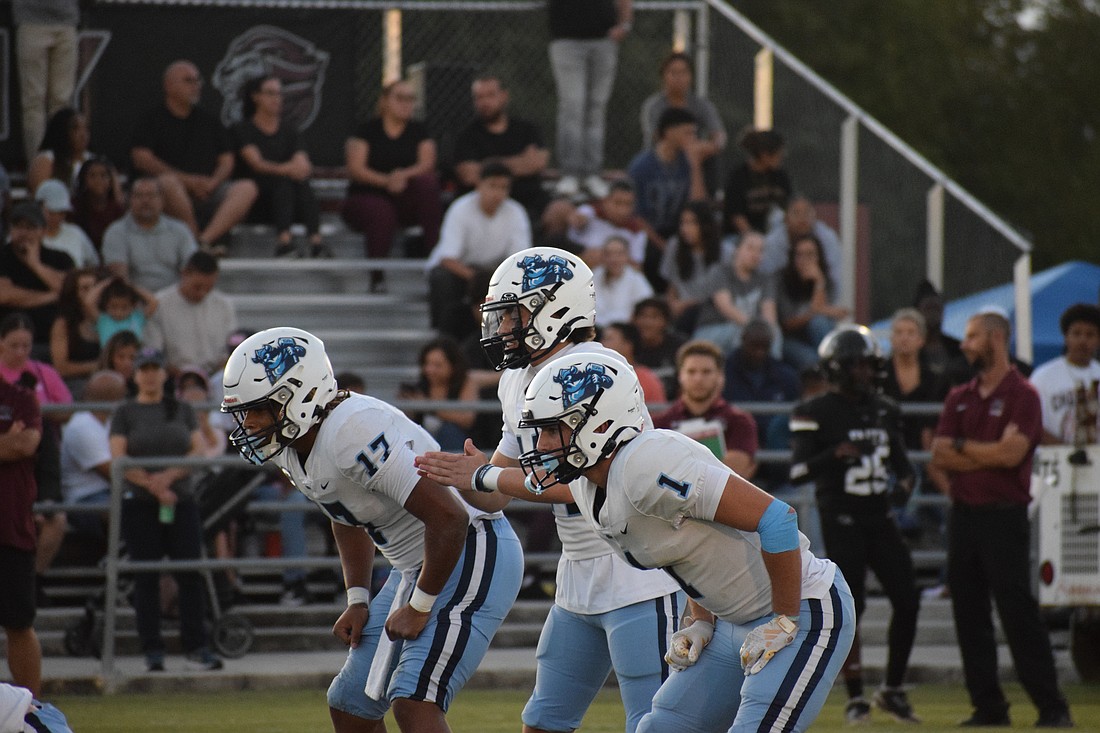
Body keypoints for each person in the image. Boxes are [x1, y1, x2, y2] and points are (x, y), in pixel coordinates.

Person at [414, 247, 684, 733]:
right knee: (543, 723)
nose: (500, 329)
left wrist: (486, 476)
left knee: (656, 724)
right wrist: (457, 477)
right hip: (578, 574)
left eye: (512, 315)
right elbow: (498, 492)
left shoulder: (596, 370)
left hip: (639, 570)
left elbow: (591, 483)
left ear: (555, 308)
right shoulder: (518, 378)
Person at [515, 350, 855, 733]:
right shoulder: (588, 484)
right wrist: (701, 619)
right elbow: (686, 546)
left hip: (803, 608)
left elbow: (778, 519)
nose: (542, 445)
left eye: (552, 429)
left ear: (596, 424)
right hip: (731, 621)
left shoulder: (647, 464)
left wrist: (785, 620)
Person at [220, 326, 522, 732]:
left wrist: (418, 607)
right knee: (349, 706)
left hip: (472, 548)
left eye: (259, 409)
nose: (250, 423)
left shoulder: (351, 431)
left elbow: (450, 518)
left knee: (414, 702)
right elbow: (344, 512)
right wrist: (358, 597)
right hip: (417, 565)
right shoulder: (293, 444)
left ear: (301, 395)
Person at [930, 311, 1074, 728]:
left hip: (1004, 518)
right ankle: (988, 707)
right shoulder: (959, 395)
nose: (964, 344)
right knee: (969, 615)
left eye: (972, 337)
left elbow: (1013, 455)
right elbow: (939, 454)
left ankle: (1053, 706)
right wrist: (986, 452)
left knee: (1017, 613)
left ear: (996, 339)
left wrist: (964, 450)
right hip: (964, 517)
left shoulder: (1023, 394)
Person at [788, 324, 922, 724]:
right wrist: (834, 453)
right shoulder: (814, 411)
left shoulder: (885, 409)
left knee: (909, 599)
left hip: (880, 516)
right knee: (854, 605)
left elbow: (905, 469)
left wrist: (903, 489)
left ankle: (893, 689)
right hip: (841, 518)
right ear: (835, 367)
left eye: (868, 365)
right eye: (855, 365)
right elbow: (797, 472)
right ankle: (856, 695)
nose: (863, 373)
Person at [110, 346, 223, 672]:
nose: (148, 374)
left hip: (180, 500)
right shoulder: (125, 412)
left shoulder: (182, 409)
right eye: (143, 368)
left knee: (189, 573)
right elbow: (119, 456)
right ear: (135, 374)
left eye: (154, 368)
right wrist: (153, 486)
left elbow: (197, 450)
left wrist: (167, 478)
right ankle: (152, 649)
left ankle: (196, 644)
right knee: (145, 577)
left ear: (163, 373)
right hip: (141, 504)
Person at [131, 60, 258, 253]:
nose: (195, 86)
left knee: (247, 188)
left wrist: (213, 182)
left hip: (208, 191)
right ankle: (192, 238)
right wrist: (188, 181)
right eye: (188, 81)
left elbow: (227, 160)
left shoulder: (209, 121)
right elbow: (141, 158)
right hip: (172, 193)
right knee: (167, 183)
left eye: (198, 81)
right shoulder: (151, 120)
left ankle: (203, 242)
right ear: (169, 86)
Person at [342, 78, 443, 270]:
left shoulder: (419, 131)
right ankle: (377, 275)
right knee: (381, 212)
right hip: (367, 196)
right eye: (400, 98)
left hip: (405, 198)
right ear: (385, 101)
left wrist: (402, 176)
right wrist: (386, 181)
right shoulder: (367, 130)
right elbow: (356, 168)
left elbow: (427, 163)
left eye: (410, 98)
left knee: (427, 185)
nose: (406, 103)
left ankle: (437, 257)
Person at [425, 161, 530, 339]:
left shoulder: (516, 212)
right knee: (442, 278)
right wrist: (479, 279)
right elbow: (448, 258)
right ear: (479, 185)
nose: (497, 193)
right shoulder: (460, 209)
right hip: (461, 271)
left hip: (496, 273)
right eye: (492, 186)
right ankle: (442, 334)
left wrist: (492, 280)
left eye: (503, 187)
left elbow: (520, 260)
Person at [547, 0, 633, 199]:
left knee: (596, 109)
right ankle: (570, 173)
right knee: (572, 105)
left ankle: (592, 173)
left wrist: (625, 25)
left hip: (603, 40)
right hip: (566, 39)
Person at [233, 74, 326, 259]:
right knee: (283, 183)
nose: (277, 99)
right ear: (256, 96)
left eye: (279, 94)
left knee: (301, 183)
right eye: (270, 93)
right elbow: (257, 164)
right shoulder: (243, 129)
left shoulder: (290, 130)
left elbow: (302, 162)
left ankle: (316, 243)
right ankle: (284, 243)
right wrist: (289, 170)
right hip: (257, 201)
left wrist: (297, 168)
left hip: (290, 203)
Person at [653, 339, 758, 478]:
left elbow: (736, 472)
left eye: (706, 372)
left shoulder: (739, 420)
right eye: (691, 371)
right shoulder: (660, 424)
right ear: (680, 376)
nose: (698, 378)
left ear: (720, 376)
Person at [0, 366, 44, 696]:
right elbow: (13, 446)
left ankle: (30, 708)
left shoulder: (21, 399)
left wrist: (14, 443)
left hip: (10, 526)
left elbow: (26, 445)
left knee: (19, 622)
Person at [453, 74, 550, 222]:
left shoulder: (526, 129)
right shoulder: (466, 135)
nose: (485, 102)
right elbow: (469, 175)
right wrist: (520, 162)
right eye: (479, 97)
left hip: (532, 202)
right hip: (487, 209)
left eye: (490, 95)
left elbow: (538, 162)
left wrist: (488, 166)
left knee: (561, 211)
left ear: (504, 96)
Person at [639, 51, 726, 195]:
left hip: (693, 155)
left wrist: (712, 146)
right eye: (673, 72)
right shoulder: (653, 106)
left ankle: (707, 201)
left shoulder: (701, 104)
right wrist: (685, 147)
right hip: (662, 156)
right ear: (663, 76)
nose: (679, 78)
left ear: (691, 76)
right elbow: (656, 136)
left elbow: (719, 134)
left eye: (684, 72)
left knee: (711, 159)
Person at [59, 370, 128, 547]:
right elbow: (112, 473)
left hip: (111, 491)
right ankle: (122, 563)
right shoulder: (82, 425)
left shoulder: (111, 421)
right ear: (113, 397)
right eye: (122, 395)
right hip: (84, 498)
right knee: (135, 509)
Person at [142, 250, 237, 375]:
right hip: (174, 377)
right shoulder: (160, 304)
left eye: (208, 288)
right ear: (184, 274)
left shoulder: (224, 305)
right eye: (197, 287)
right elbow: (155, 350)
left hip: (218, 375)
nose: (202, 293)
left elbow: (231, 346)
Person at [0, 202, 74, 361]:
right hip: (9, 342)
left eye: (30, 227)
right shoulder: (2, 256)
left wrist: (35, 265)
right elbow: (5, 295)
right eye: (18, 227)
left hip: (53, 341)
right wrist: (51, 296)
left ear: (43, 231)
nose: (23, 233)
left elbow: (70, 290)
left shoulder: (61, 258)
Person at [101, 176, 198, 293]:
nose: (145, 201)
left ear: (162, 200)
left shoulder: (180, 230)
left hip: (175, 298)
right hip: (133, 300)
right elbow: (120, 278)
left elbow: (191, 270)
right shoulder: (115, 232)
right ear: (129, 200)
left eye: (151, 195)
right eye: (139, 196)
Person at [692, 231, 779, 357]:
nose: (756, 254)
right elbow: (726, 307)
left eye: (761, 250)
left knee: (774, 331)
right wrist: (755, 329)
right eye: (750, 248)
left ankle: (772, 370)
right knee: (742, 334)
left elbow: (769, 312)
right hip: (711, 330)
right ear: (737, 249)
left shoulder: (765, 279)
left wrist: (768, 330)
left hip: (747, 328)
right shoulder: (720, 272)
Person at [626, 108, 707, 244]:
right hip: (649, 236)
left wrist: (695, 166)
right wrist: (662, 247)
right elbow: (636, 216)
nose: (693, 139)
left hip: (681, 233)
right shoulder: (642, 167)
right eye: (688, 133)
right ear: (670, 132)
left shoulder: (688, 162)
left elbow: (698, 206)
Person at [13, 0, 78, 164]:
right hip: (31, 20)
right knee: (33, 101)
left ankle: (61, 165)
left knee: (62, 102)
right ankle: (38, 166)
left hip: (66, 20)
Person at [1030, 303, 1100, 445]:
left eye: (1090, 334)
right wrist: (1064, 449)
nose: (1083, 340)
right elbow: (1031, 423)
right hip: (1055, 459)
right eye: (1076, 333)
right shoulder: (1043, 376)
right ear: (1066, 337)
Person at [776, 233, 849, 370]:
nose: (805, 260)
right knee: (813, 360)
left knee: (819, 322)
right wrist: (818, 310)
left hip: (818, 336)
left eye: (810, 254)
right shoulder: (782, 282)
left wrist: (819, 282)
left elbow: (826, 316)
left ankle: (832, 364)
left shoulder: (825, 280)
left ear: (819, 257)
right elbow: (787, 324)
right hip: (790, 340)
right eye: (800, 255)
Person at [723, 318, 800, 443]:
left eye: (765, 347)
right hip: (735, 438)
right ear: (743, 340)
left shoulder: (785, 375)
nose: (759, 352)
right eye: (754, 346)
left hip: (771, 442)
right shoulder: (724, 372)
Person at [398, 337, 479, 453]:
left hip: (456, 443)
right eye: (427, 364)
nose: (430, 370)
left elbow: (467, 418)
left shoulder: (464, 383)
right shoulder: (420, 386)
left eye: (437, 365)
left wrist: (428, 407)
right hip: (422, 445)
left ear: (453, 366)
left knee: (449, 431)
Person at [659, 200, 727, 334]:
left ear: (706, 224)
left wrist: (686, 304)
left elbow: (721, 293)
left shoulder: (725, 251)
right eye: (683, 223)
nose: (685, 228)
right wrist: (671, 305)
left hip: (711, 310)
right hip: (679, 310)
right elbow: (672, 286)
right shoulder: (674, 246)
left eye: (692, 223)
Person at [761, 195, 842, 299]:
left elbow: (836, 279)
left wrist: (819, 280)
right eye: (796, 213)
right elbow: (765, 280)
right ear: (785, 218)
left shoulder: (827, 238)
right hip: (782, 300)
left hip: (817, 297)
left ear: (815, 216)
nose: (802, 218)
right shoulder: (773, 243)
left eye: (807, 213)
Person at [563, 180, 648, 267]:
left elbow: (637, 267)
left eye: (628, 204)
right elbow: (576, 220)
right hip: (576, 263)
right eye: (618, 203)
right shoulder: (591, 212)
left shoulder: (636, 231)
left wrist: (610, 257)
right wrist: (577, 220)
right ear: (606, 200)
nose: (623, 211)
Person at [723, 127, 792, 236]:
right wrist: (754, 238)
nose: (782, 158)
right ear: (764, 155)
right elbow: (736, 215)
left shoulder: (780, 176)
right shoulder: (739, 177)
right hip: (743, 237)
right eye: (779, 154)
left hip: (775, 234)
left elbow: (789, 207)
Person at [27, 108, 107, 197]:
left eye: (86, 128)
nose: (83, 134)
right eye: (76, 129)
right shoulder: (46, 161)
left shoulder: (96, 161)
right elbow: (40, 199)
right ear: (62, 131)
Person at [48, 268, 101, 387]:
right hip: (76, 383)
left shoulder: (108, 319)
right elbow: (61, 367)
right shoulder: (63, 325)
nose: (92, 293)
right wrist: (97, 366)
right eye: (85, 288)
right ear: (74, 293)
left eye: (95, 287)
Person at [631, 297, 687, 399]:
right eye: (642, 316)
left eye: (654, 317)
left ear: (666, 321)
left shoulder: (680, 347)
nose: (647, 322)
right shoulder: (629, 348)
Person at [35, 179, 98, 268]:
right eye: (52, 212)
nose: (57, 218)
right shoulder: (28, 236)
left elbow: (94, 264)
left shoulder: (76, 233)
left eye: (61, 213)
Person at [599, 322, 666, 405]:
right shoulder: (596, 376)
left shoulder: (646, 378)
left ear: (628, 344)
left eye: (608, 339)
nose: (602, 344)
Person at [592, 235, 653, 326]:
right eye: (609, 254)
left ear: (627, 256)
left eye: (619, 254)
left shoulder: (637, 279)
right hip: (595, 329)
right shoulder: (594, 276)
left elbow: (645, 309)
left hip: (625, 331)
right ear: (603, 256)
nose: (614, 259)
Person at [90, 276, 157, 347]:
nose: (119, 312)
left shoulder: (137, 318)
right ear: (106, 305)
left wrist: (130, 285)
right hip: (109, 358)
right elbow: (88, 302)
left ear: (133, 306)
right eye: (113, 307)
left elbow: (153, 302)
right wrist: (108, 282)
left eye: (124, 307)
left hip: (135, 357)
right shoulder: (102, 320)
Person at [97, 330, 140, 395]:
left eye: (132, 358)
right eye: (121, 357)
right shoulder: (98, 386)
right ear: (110, 358)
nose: (127, 363)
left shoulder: (142, 389)